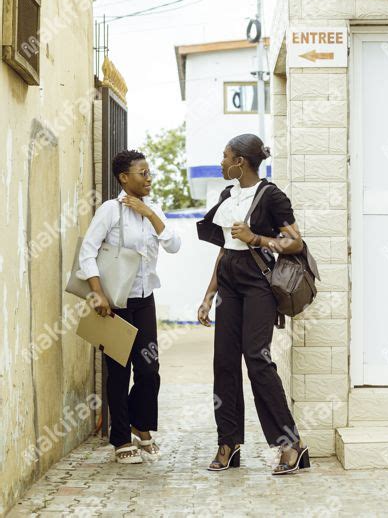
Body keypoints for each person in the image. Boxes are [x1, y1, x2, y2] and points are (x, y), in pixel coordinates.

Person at [197, 133, 310, 475]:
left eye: (225, 156)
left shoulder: (271, 196)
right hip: (229, 280)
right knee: (224, 363)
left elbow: (295, 241)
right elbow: (225, 249)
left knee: (257, 360)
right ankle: (228, 443)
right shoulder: (227, 195)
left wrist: (256, 238)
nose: (221, 162)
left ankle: (291, 444)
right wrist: (208, 294)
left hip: (258, 282)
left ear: (240, 162)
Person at [78, 150, 181, 464]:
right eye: (142, 172)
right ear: (124, 178)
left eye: (149, 172)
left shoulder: (153, 209)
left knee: (149, 370)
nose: (148, 178)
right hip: (115, 305)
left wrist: (149, 213)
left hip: (144, 300)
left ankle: (141, 424)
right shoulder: (111, 210)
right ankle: (121, 439)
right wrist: (97, 294)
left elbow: (174, 245)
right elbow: (87, 251)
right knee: (119, 373)